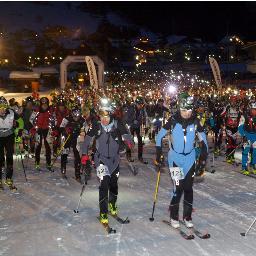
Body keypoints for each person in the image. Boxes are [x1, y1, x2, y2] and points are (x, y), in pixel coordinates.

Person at [155, 92, 208, 228]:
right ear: (180, 109)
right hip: (175, 159)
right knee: (178, 188)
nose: (187, 113)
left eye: (189, 110)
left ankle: (187, 217)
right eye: (184, 111)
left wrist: (202, 161)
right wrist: (158, 154)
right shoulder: (173, 121)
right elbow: (159, 136)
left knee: (189, 188)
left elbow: (204, 143)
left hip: (190, 159)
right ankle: (174, 216)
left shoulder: (195, 122)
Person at [81, 98, 133, 224]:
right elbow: (87, 140)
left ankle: (112, 204)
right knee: (104, 185)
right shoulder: (97, 126)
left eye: (106, 117)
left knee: (113, 185)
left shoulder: (117, 124)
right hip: (101, 159)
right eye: (101, 117)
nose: (104, 120)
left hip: (115, 160)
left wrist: (128, 141)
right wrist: (84, 155)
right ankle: (103, 212)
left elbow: (127, 135)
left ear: (111, 115)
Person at [59, 105, 87, 181]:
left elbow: (85, 130)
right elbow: (61, 127)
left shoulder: (82, 120)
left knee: (77, 155)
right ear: (72, 113)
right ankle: (63, 169)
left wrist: (82, 132)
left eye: (78, 113)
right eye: (74, 113)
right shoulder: (67, 118)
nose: (76, 116)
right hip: (67, 137)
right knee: (64, 153)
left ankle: (77, 174)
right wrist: (66, 130)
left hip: (77, 138)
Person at [30, 97, 54, 171]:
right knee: (38, 146)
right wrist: (35, 127)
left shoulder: (50, 111)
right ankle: (37, 162)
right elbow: (31, 119)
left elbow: (54, 120)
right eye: (43, 104)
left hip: (47, 130)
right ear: (41, 104)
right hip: (39, 130)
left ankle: (48, 163)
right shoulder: (36, 111)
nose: (44, 106)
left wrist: (52, 127)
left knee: (48, 146)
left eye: (46, 104)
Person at [0, 96, 18, 190]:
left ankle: (9, 178)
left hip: (9, 135)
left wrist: (18, 127)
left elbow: (20, 121)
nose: (2, 109)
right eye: (0, 107)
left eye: (3, 107)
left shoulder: (12, 112)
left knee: (10, 156)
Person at [124, 96, 148, 163]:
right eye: (139, 104)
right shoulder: (131, 108)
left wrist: (144, 124)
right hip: (131, 126)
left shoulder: (143, 109)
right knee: (129, 141)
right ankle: (128, 155)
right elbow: (126, 118)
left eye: (142, 104)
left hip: (138, 126)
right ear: (136, 103)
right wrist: (132, 121)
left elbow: (145, 116)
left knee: (140, 141)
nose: (141, 106)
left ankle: (140, 156)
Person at [221, 95, 241, 163]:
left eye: (234, 101)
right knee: (229, 142)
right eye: (232, 100)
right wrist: (224, 118)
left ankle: (232, 156)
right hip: (228, 127)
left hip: (235, 127)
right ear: (230, 101)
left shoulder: (238, 107)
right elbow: (222, 114)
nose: (233, 102)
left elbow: (241, 115)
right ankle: (228, 156)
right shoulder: (227, 107)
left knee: (234, 143)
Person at [238, 99, 256, 175]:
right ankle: (243, 167)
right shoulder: (244, 116)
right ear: (249, 109)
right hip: (247, 135)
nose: (254, 111)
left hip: (255, 136)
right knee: (246, 151)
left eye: (255, 109)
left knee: (255, 151)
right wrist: (243, 135)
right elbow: (240, 127)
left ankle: (253, 165)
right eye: (252, 109)